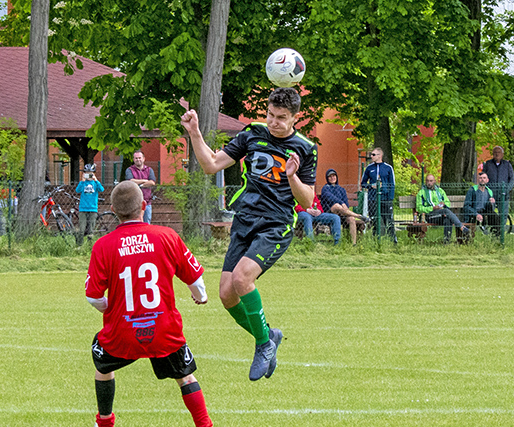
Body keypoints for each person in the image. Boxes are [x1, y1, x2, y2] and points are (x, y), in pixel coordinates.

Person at [180, 87, 316, 381]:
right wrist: (194, 133)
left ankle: (264, 344)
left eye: (281, 117)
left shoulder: (305, 148)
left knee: (242, 279)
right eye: (270, 114)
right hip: (244, 220)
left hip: (276, 225)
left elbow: (307, 201)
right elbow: (211, 165)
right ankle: (268, 337)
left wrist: (292, 176)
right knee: (226, 295)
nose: (274, 122)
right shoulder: (252, 133)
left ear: (295, 117)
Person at [85, 181, 222, 427]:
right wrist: (201, 296)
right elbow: (194, 278)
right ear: (144, 206)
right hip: (163, 330)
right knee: (186, 378)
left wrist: (109, 308)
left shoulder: (103, 245)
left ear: (113, 210)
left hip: (123, 331)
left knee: (103, 365)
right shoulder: (167, 236)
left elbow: (93, 296)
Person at [320, 169, 369, 246]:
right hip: (330, 212)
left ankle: (353, 243)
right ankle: (359, 216)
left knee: (351, 219)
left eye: (334, 176)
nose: (332, 178)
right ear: (327, 178)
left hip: (342, 213)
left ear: (336, 177)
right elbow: (331, 198)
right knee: (337, 205)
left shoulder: (341, 190)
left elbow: (346, 204)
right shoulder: (325, 188)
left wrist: (343, 208)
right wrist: (341, 203)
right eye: (330, 176)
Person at [416, 174, 469, 242]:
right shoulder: (421, 192)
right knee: (446, 211)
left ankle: (446, 242)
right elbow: (419, 208)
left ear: (434, 181)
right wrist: (432, 208)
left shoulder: (440, 191)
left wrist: (443, 204)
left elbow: (448, 202)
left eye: (431, 181)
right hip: (429, 216)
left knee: (448, 219)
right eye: (427, 181)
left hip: (440, 214)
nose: (429, 183)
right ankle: (461, 226)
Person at [360, 147, 397, 243]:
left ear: (380, 156)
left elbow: (392, 184)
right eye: (371, 154)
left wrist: (390, 199)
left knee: (388, 220)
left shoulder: (388, 168)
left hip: (385, 198)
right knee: (374, 221)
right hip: (372, 198)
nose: (371, 156)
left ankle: (393, 241)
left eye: (373, 154)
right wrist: (370, 186)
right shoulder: (369, 168)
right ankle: (376, 241)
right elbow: (363, 183)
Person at [481, 145, 514, 237]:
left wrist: (506, 190)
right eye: (495, 153)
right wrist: (486, 191)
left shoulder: (507, 165)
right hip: (491, 195)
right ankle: (492, 230)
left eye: (499, 152)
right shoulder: (488, 164)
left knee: (503, 214)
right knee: (489, 213)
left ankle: (500, 232)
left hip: (503, 195)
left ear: (502, 154)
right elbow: (483, 178)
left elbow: (512, 179)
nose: (497, 154)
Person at [124, 150, 157, 224]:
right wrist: (145, 181)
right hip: (134, 203)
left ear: (143, 159)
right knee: (135, 224)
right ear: (133, 159)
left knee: (146, 223)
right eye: (136, 158)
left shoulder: (149, 170)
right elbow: (130, 181)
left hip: (147, 202)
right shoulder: (129, 170)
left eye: (139, 158)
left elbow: (152, 182)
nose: (138, 159)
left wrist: (140, 185)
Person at [75, 163, 104, 244]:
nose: (89, 175)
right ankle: (79, 245)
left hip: (93, 209)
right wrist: (82, 181)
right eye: (87, 173)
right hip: (83, 209)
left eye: (90, 173)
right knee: (81, 229)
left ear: (93, 174)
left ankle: (90, 245)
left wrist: (96, 180)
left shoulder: (95, 183)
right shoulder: (83, 183)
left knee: (91, 229)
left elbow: (101, 189)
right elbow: (77, 190)